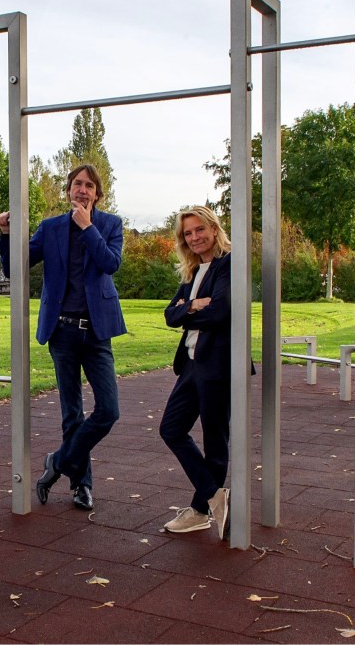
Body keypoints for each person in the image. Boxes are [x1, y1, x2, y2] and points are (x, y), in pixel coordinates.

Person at [0, 163, 126, 512]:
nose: (82, 189)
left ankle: (58, 461)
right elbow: (15, 267)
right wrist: (6, 234)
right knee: (72, 414)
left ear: (98, 193)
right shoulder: (51, 227)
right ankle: (81, 485)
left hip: (96, 332)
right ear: (68, 190)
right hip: (62, 331)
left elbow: (111, 263)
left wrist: (87, 228)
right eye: (77, 184)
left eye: (89, 185)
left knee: (108, 411)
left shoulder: (110, 225)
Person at [159, 205, 234, 539]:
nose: (194, 237)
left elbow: (220, 313)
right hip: (190, 364)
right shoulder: (192, 272)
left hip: (216, 363)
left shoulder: (228, 264)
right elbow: (168, 316)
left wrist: (186, 310)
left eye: (199, 229)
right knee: (171, 429)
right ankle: (214, 496)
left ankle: (201, 511)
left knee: (215, 440)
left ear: (214, 229)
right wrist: (193, 304)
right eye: (188, 233)